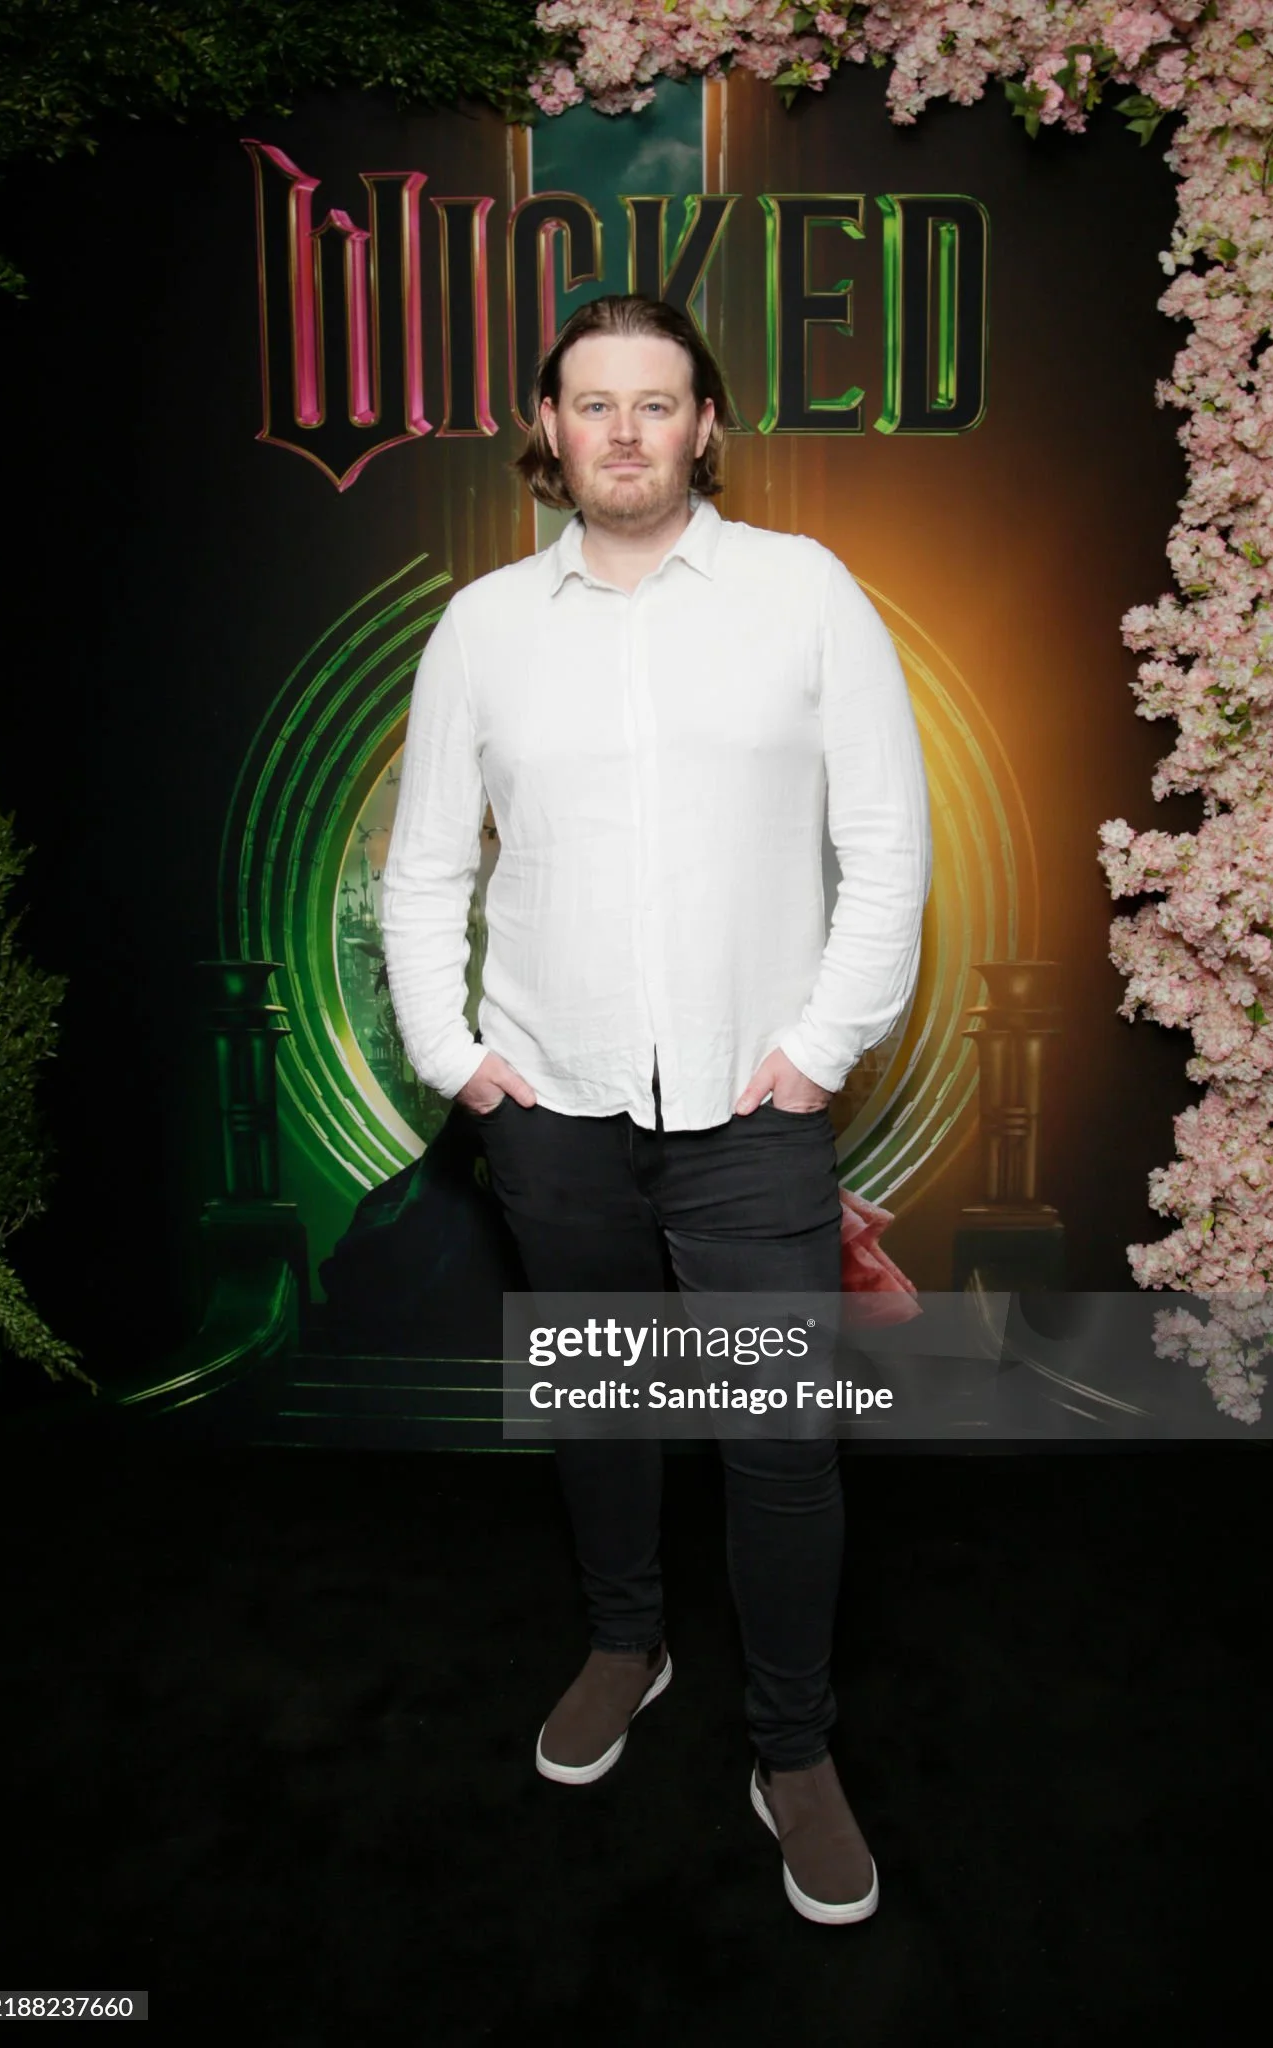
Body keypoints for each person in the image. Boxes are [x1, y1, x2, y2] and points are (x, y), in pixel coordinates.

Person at [379, 294, 932, 1926]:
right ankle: (628, 1642)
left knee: (777, 1444)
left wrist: (825, 1044)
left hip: (756, 1104)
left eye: (658, 401)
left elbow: (887, 846)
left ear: (706, 424)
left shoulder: (805, 595)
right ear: (545, 430)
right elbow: (422, 870)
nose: (624, 430)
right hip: (552, 1102)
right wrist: (453, 1057)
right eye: (592, 402)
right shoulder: (482, 625)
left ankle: (795, 1746)